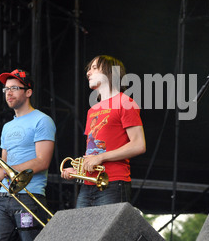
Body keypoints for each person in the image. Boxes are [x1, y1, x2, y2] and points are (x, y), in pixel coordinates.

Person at [61, 55, 146, 207]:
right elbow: (93, 151)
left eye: (94, 68)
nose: (88, 73)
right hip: (88, 184)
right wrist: (78, 169)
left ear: (110, 72)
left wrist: (101, 158)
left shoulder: (125, 102)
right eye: (89, 69)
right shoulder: (92, 110)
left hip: (113, 183)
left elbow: (138, 145)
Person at [0, 69, 56, 241]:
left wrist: (5, 171)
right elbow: (5, 162)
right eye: (6, 89)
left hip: (29, 196)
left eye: (15, 88)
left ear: (28, 92)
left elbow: (42, 161)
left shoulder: (42, 120)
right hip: (3, 197)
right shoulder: (7, 126)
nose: (8, 92)